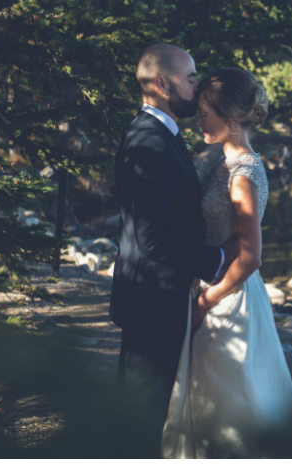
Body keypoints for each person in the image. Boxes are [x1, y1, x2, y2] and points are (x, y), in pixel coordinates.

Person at [162, 67, 292, 459]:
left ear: (232, 115)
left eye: (206, 112)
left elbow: (252, 255)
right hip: (220, 286)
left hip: (229, 297)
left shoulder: (242, 173)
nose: (198, 121)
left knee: (228, 401)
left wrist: (205, 302)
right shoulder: (230, 163)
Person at [109, 44, 231, 457]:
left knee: (143, 417)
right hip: (152, 302)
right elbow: (153, 238)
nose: (197, 86)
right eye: (190, 77)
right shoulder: (150, 141)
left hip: (154, 297)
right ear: (162, 84)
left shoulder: (162, 133)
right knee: (143, 421)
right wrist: (216, 261)